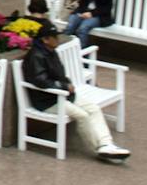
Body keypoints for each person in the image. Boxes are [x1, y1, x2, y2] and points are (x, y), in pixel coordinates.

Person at [23, 23, 131, 161]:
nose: (58, 39)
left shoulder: (51, 52)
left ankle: (106, 143)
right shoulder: (36, 56)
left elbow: (59, 74)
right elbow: (41, 81)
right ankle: (98, 149)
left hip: (64, 95)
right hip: (48, 101)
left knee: (94, 108)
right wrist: (64, 86)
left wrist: (66, 84)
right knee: (82, 115)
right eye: (55, 37)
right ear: (45, 39)